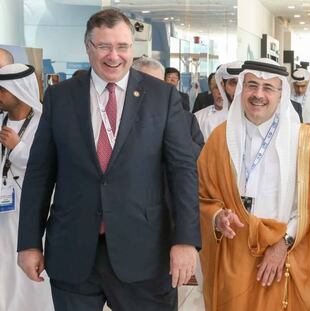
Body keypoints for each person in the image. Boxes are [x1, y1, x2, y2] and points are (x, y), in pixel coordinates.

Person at [17, 9, 200, 311]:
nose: (114, 56)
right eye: (104, 46)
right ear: (88, 46)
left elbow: (183, 172)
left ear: (132, 48)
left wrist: (186, 240)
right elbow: (39, 174)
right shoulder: (59, 98)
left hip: (145, 254)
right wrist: (29, 242)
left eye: (122, 47)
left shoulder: (163, 97)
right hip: (73, 252)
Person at [197, 58, 310, 311]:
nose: (258, 95)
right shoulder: (220, 138)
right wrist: (218, 216)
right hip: (233, 255)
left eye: (268, 88)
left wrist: (282, 245)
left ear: (281, 93)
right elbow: (203, 196)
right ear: (242, 88)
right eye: (252, 86)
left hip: (281, 256)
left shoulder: (303, 140)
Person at [0, 64, 54, 311]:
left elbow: (47, 167)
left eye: (3, 90)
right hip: (4, 208)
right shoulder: (1, 119)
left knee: (27, 262)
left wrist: (17, 147)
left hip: (29, 208)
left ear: (19, 90)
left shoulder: (45, 122)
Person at [133, 56, 204, 155]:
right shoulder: (122, 117)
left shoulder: (187, 120)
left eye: (158, 83)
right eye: (147, 83)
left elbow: (198, 155)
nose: (154, 89)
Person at [194, 73, 225, 140]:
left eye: (224, 88)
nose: (221, 92)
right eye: (217, 88)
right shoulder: (198, 117)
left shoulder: (240, 117)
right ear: (211, 91)